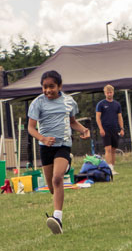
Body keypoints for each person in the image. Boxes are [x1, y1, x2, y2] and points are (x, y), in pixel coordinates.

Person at [28, 70, 90, 234]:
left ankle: (57, 218)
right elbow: (31, 128)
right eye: (44, 87)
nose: (48, 90)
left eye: (51, 87)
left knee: (57, 179)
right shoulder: (37, 103)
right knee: (52, 188)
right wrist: (43, 139)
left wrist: (83, 130)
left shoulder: (69, 102)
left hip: (63, 145)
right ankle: (65, 167)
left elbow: (72, 122)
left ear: (60, 86)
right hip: (46, 147)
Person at [95, 84, 124, 175]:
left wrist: (122, 128)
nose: (109, 94)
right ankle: (109, 169)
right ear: (105, 93)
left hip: (115, 129)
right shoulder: (101, 104)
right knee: (107, 149)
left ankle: (112, 168)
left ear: (113, 93)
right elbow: (98, 117)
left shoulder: (117, 104)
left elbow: (120, 117)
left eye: (110, 92)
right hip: (105, 129)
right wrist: (101, 129)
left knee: (113, 150)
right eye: (107, 93)